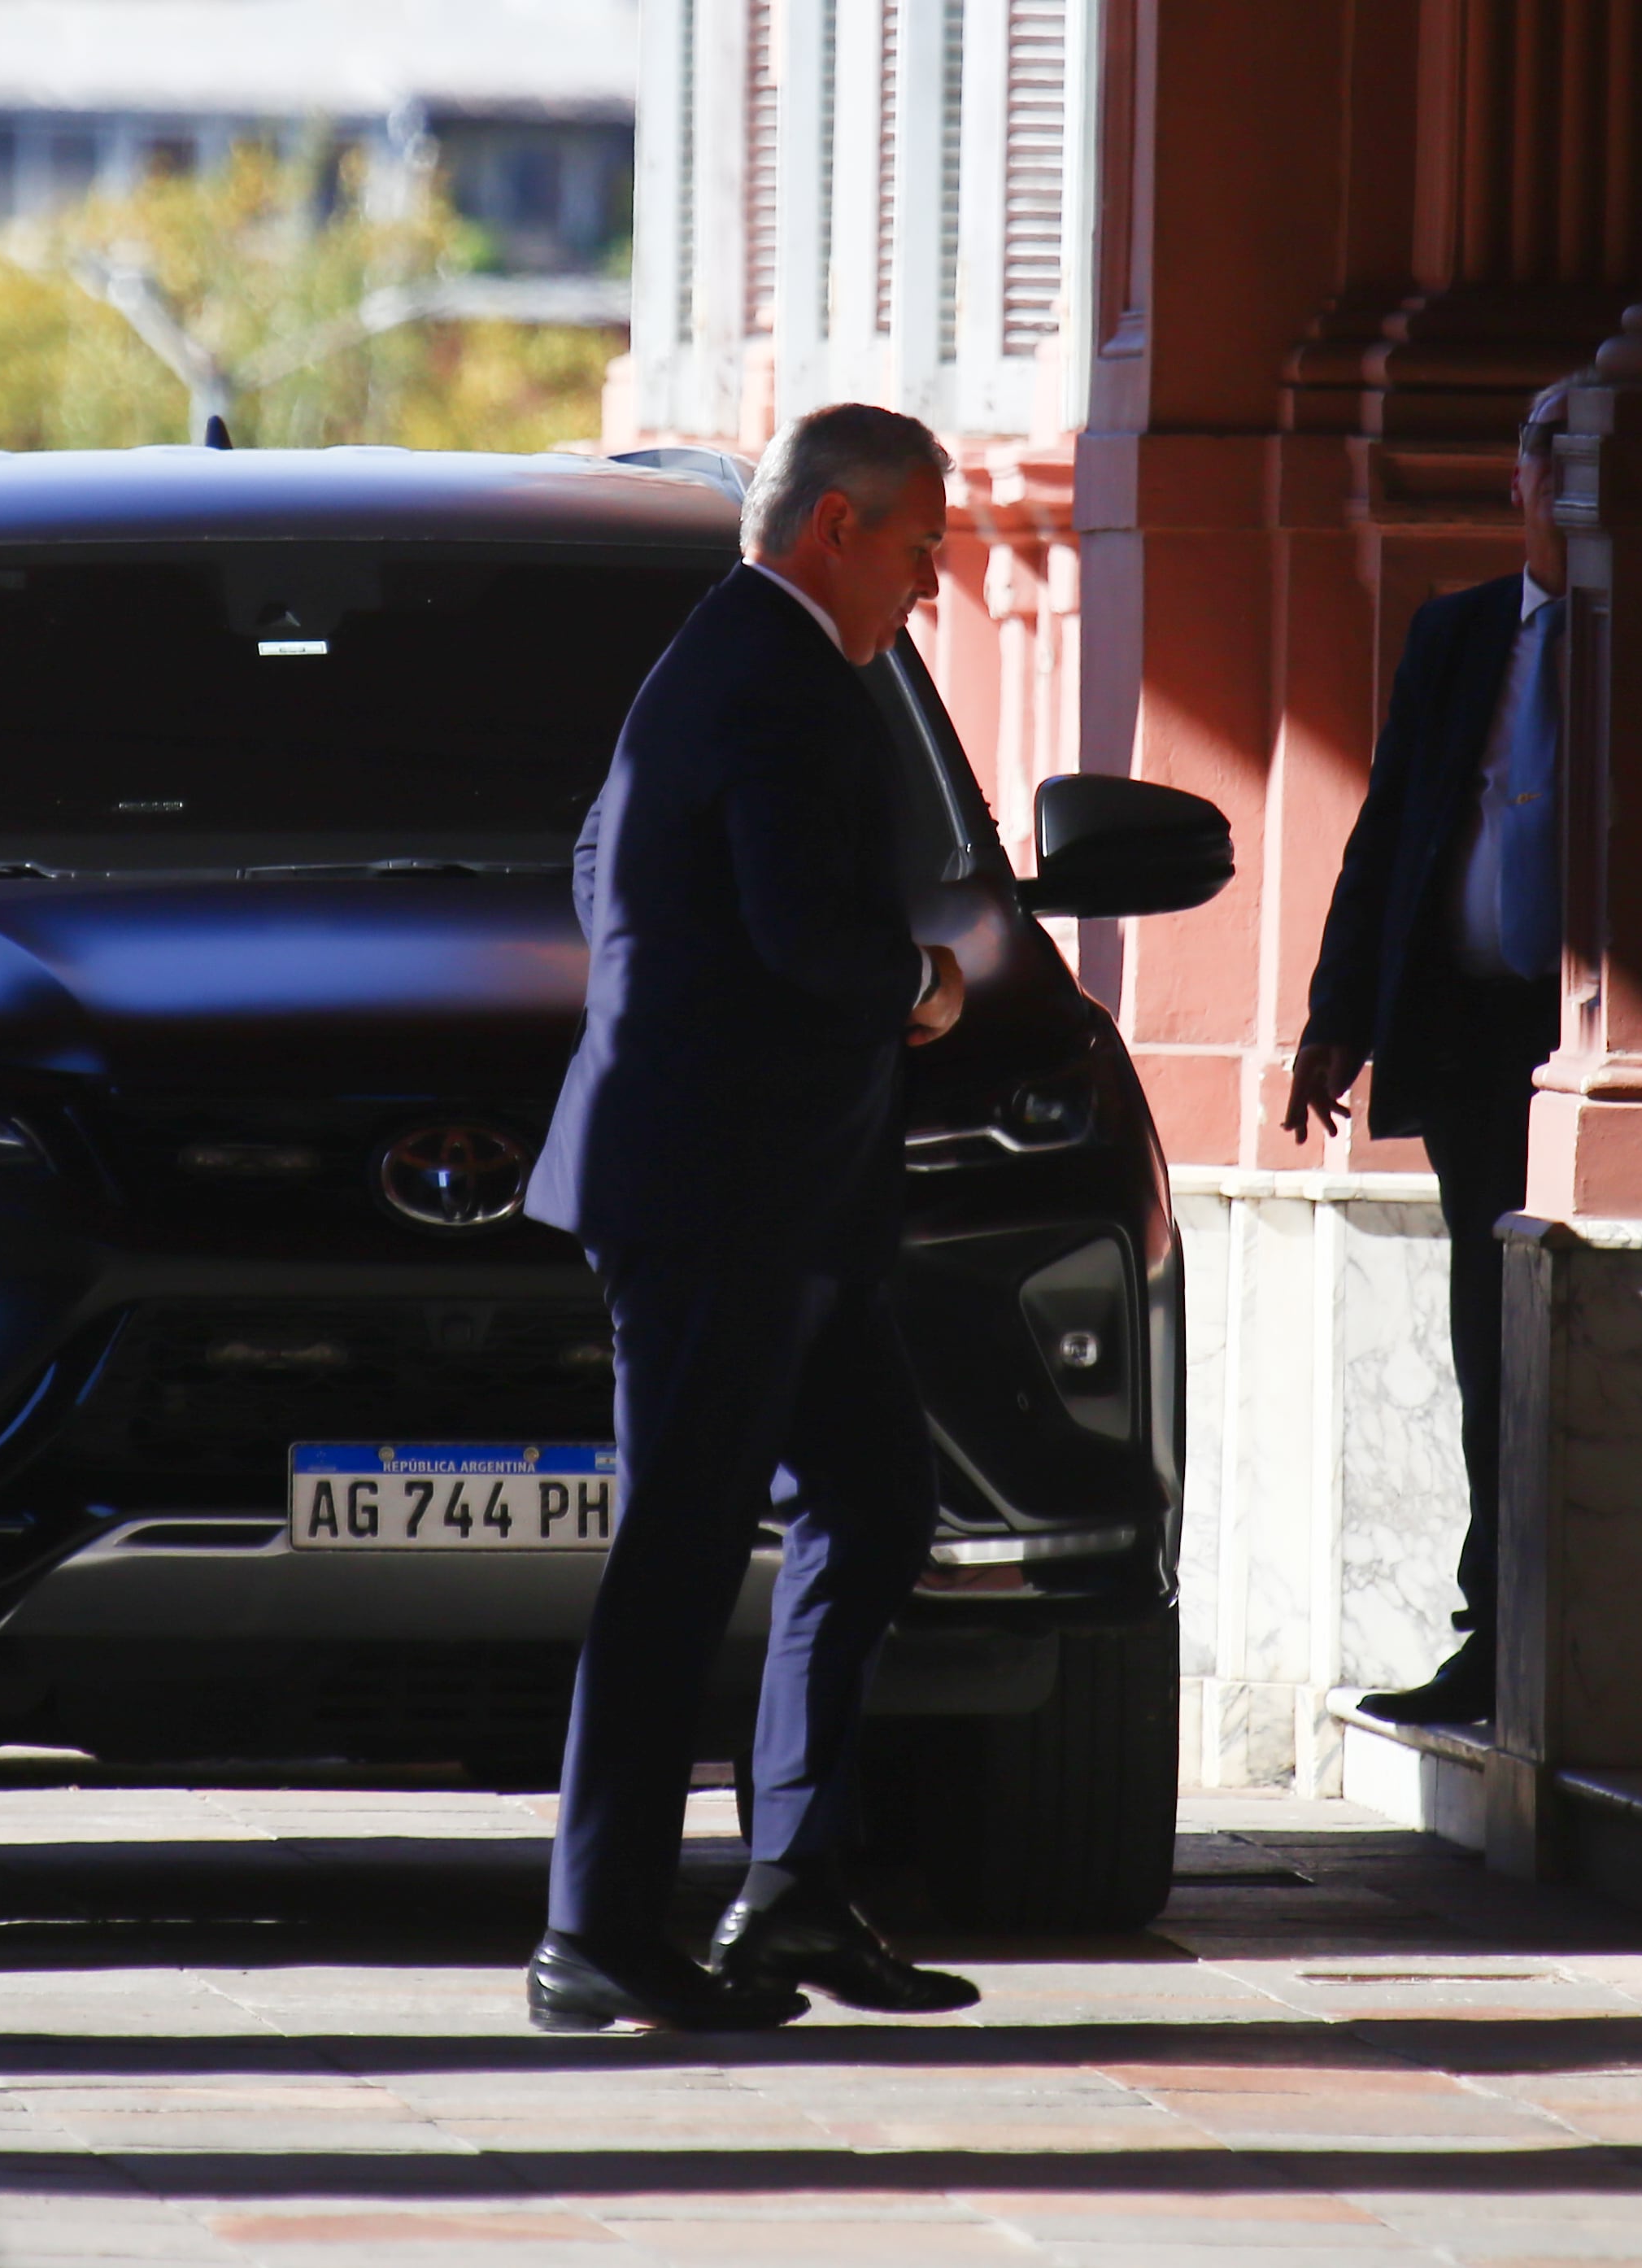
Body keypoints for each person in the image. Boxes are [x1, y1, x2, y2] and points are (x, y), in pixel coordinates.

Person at [520, 403, 982, 2031]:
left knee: (874, 1498)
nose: (932, 580)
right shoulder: (773, 675)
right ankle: (595, 1929)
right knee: (680, 1546)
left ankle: (792, 1890)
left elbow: (604, 866)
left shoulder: (731, 655)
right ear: (835, 527)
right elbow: (807, 937)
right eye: (921, 542)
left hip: (778, 1193)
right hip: (724, 1195)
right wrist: (922, 981)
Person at [1284, 381, 1572, 1728]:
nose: (1571, 490)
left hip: (1598, 1040)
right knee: (1486, 1334)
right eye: (1552, 463)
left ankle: (1569, 1633)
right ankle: (1492, 1632)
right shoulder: (1459, 635)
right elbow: (1388, 830)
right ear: (1518, 485)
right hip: (1470, 1034)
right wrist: (1335, 1015)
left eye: (1593, 465)